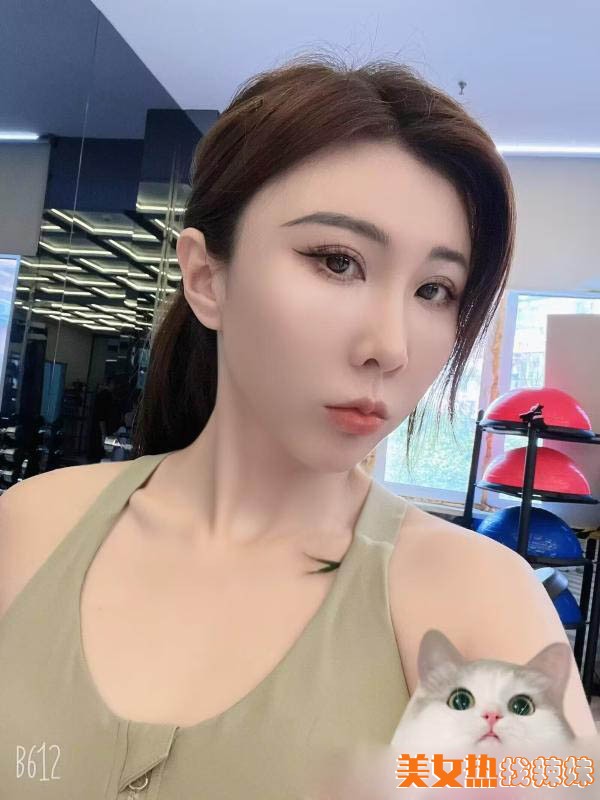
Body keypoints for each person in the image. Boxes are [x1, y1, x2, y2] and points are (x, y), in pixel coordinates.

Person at [0, 52, 596, 798]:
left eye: (434, 289)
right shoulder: (33, 528)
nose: (390, 346)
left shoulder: (475, 601)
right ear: (206, 277)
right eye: (338, 261)